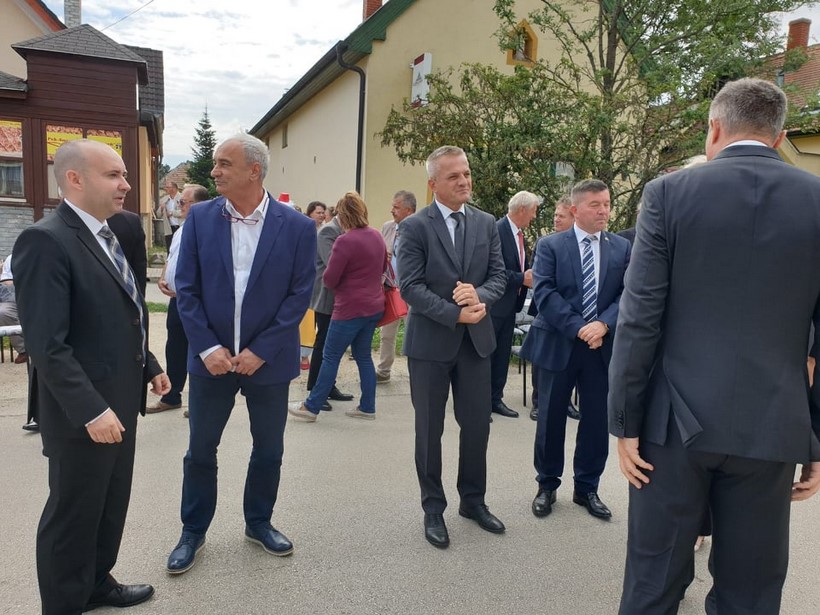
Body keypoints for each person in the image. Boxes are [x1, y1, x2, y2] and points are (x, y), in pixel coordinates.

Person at [609, 77, 820, 613]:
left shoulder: (668, 193)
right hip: (773, 425)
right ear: (779, 137)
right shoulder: (816, 200)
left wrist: (625, 421)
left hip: (673, 427)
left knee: (654, 584)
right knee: (751, 593)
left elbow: (639, 317)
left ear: (714, 128)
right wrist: (816, 437)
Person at [13, 139, 171, 614]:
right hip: (82, 414)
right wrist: (91, 409)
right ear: (75, 179)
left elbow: (119, 312)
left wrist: (149, 365)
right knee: (74, 514)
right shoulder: (46, 240)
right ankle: (64, 603)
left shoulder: (109, 231)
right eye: (114, 175)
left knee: (109, 504)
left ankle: (97, 582)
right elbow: (47, 345)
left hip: (119, 401)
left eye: (124, 174)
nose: (126, 185)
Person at [168, 133, 316, 575]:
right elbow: (186, 289)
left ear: (254, 170)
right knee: (200, 451)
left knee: (268, 449)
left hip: (267, 362)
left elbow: (299, 296)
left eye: (223, 163)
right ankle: (193, 531)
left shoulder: (297, 227)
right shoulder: (200, 218)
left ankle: (259, 522)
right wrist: (208, 347)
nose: (214, 171)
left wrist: (261, 350)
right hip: (210, 360)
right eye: (216, 163)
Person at [397, 145, 506, 549]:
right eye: (453, 176)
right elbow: (410, 286)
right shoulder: (415, 227)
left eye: (466, 173)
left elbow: (498, 276)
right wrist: (455, 313)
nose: (464, 181)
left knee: (477, 426)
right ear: (433, 184)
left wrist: (478, 297)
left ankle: (473, 501)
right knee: (430, 430)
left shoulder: (485, 222)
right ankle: (433, 509)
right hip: (431, 344)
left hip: (476, 344)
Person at [521, 179, 630, 521]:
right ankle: (547, 484)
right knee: (551, 417)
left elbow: (627, 293)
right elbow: (545, 293)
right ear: (575, 209)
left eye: (607, 204)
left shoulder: (621, 248)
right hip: (560, 343)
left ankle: (587, 488)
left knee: (596, 420)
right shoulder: (551, 245)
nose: (603, 211)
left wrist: (603, 325)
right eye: (595, 205)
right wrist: (581, 328)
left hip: (601, 347)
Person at [290, 191, 386, 421]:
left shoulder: (345, 240)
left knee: (331, 355)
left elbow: (330, 279)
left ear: (343, 215)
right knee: (364, 357)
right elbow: (383, 267)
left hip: (349, 308)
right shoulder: (376, 235)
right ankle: (367, 407)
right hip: (374, 306)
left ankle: (311, 406)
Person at [150, 184, 211, 415]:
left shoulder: (208, 232)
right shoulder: (181, 230)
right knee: (174, 348)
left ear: (199, 205)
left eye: (183, 202)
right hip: (176, 301)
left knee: (198, 351)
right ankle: (172, 396)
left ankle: (198, 402)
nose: (179, 206)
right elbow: (171, 258)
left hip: (196, 302)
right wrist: (163, 278)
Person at [489, 191, 538, 419]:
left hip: (510, 306)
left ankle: (495, 399)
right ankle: (481, 403)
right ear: (522, 209)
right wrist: (522, 278)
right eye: (533, 211)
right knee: (489, 356)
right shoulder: (497, 231)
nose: (534, 216)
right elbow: (493, 270)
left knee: (502, 356)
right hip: (494, 305)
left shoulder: (518, 234)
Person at [305, 210, 354, 410]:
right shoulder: (328, 231)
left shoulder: (343, 231)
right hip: (326, 295)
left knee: (333, 344)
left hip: (339, 296)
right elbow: (332, 262)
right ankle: (315, 388)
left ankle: (328, 386)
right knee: (323, 342)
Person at [376, 190, 417, 384]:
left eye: (396, 207)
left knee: (414, 333)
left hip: (414, 291)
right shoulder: (387, 227)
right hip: (390, 289)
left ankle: (416, 372)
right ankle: (384, 370)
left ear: (409, 210)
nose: (392, 210)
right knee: (387, 334)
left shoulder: (420, 229)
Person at [0, 253, 27, 364]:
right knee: (3, 312)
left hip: (42, 295)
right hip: (15, 296)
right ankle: (23, 349)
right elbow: (6, 281)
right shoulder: (12, 258)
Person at [160, 181, 181, 250]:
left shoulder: (182, 198)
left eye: (168, 187)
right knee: (169, 248)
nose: (166, 189)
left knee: (179, 247)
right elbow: (158, 214)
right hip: (169, 228)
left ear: (174, 188)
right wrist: (161, 208)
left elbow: (185, 211)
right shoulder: (164, 199)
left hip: (179, 226)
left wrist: (172, 213)